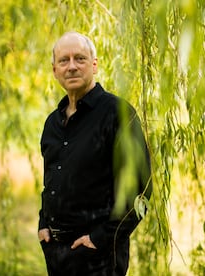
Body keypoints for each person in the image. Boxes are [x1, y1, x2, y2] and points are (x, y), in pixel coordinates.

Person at [38, 31, 152, 276]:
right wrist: (42, 224)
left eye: (79, 58)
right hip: (56, 255)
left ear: (94, 65)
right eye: (63, 60)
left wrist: (100, 239)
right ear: (54, 70)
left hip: (99, 258)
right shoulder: (52, 124)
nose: (71, 67)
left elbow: (141, 190)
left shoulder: (118, 114)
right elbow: (51, 181)